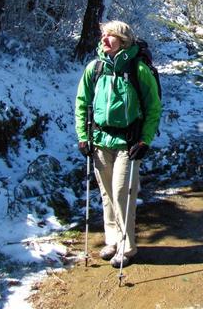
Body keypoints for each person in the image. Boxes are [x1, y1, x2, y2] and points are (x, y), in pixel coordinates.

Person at [74, 20, 162, 268]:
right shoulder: (96, 68)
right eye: (103, 35)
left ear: (123, 41)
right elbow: (82, 103)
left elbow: (154, 108)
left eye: (110, 36)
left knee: (122, 193)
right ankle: (112, 240)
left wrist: (145, 140)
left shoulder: (139, 69)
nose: (104, 40)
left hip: (128, 142)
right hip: (101, 140)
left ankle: (127, 246)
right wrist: (83, 136)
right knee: (107, 194)